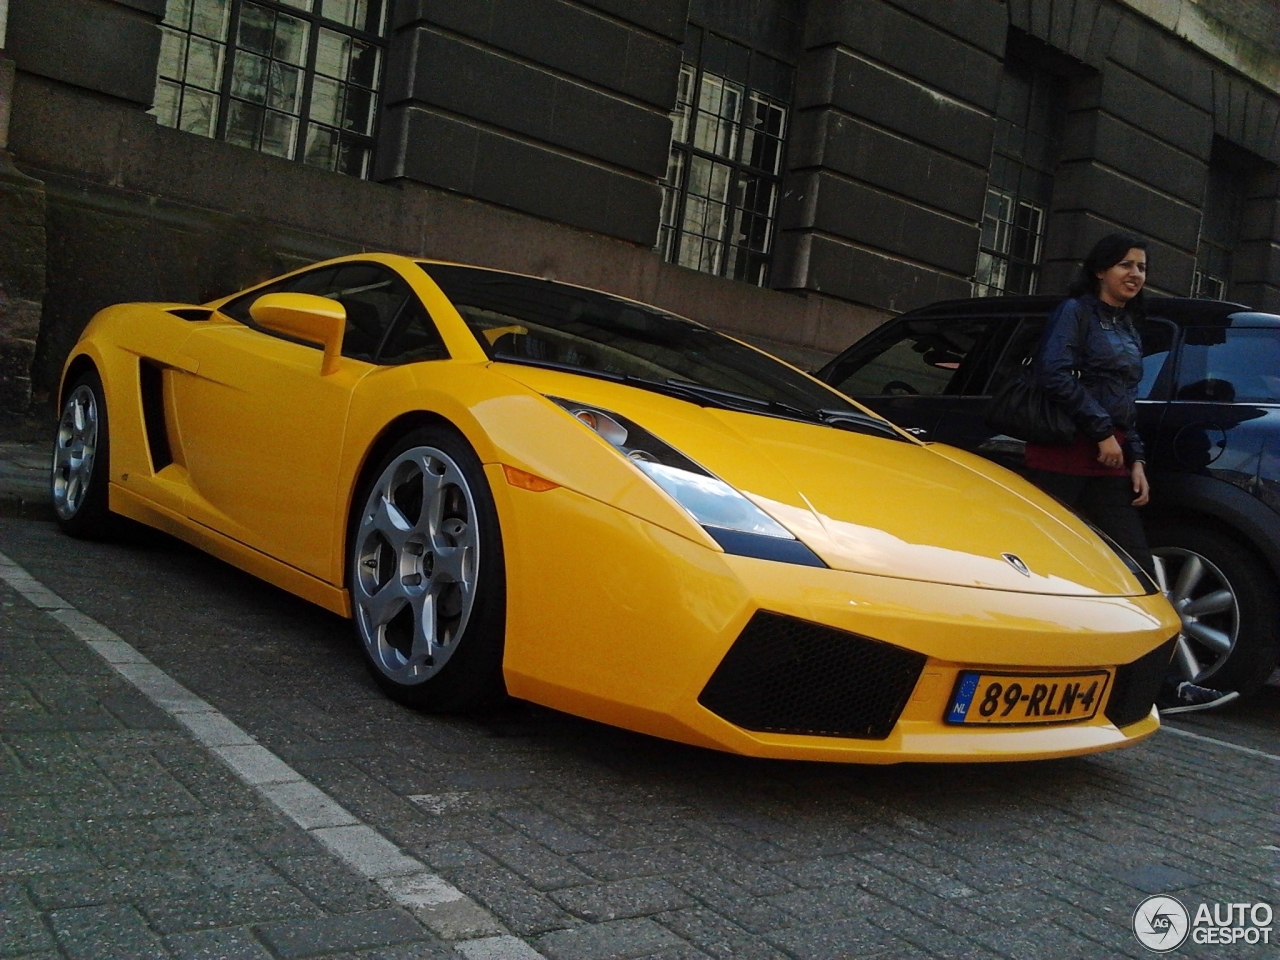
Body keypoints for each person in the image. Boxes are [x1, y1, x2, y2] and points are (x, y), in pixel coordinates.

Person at [1025, 233, 1234, 713]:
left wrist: (1134, 455)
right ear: (1100, 270)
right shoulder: (1075, 312)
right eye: (1125, 265)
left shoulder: (1129, 324)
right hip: (1063, 455)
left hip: (1110, 459)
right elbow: (1053, 373)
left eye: (1141, 267)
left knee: (1136, 568)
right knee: (1046, 568)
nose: (1136, 274)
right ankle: (1028, 670)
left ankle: (1156, 686)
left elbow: (1125, 400)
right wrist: (1100, 432)